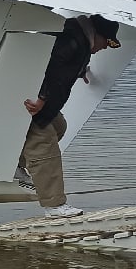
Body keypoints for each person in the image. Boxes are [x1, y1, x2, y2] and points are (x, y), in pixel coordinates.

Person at [20, 13, 120, 217]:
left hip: (41, 100)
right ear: (98, 35)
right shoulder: (71, 40)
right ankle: (54, 206)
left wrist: (81, 71)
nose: (104, 48)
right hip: (33, 100)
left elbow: (68, 64)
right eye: (106, 43)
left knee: (59, 126)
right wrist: (42, 98)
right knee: (43, 142)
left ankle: (14, 164)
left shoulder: (79, 38)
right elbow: (52, 69)